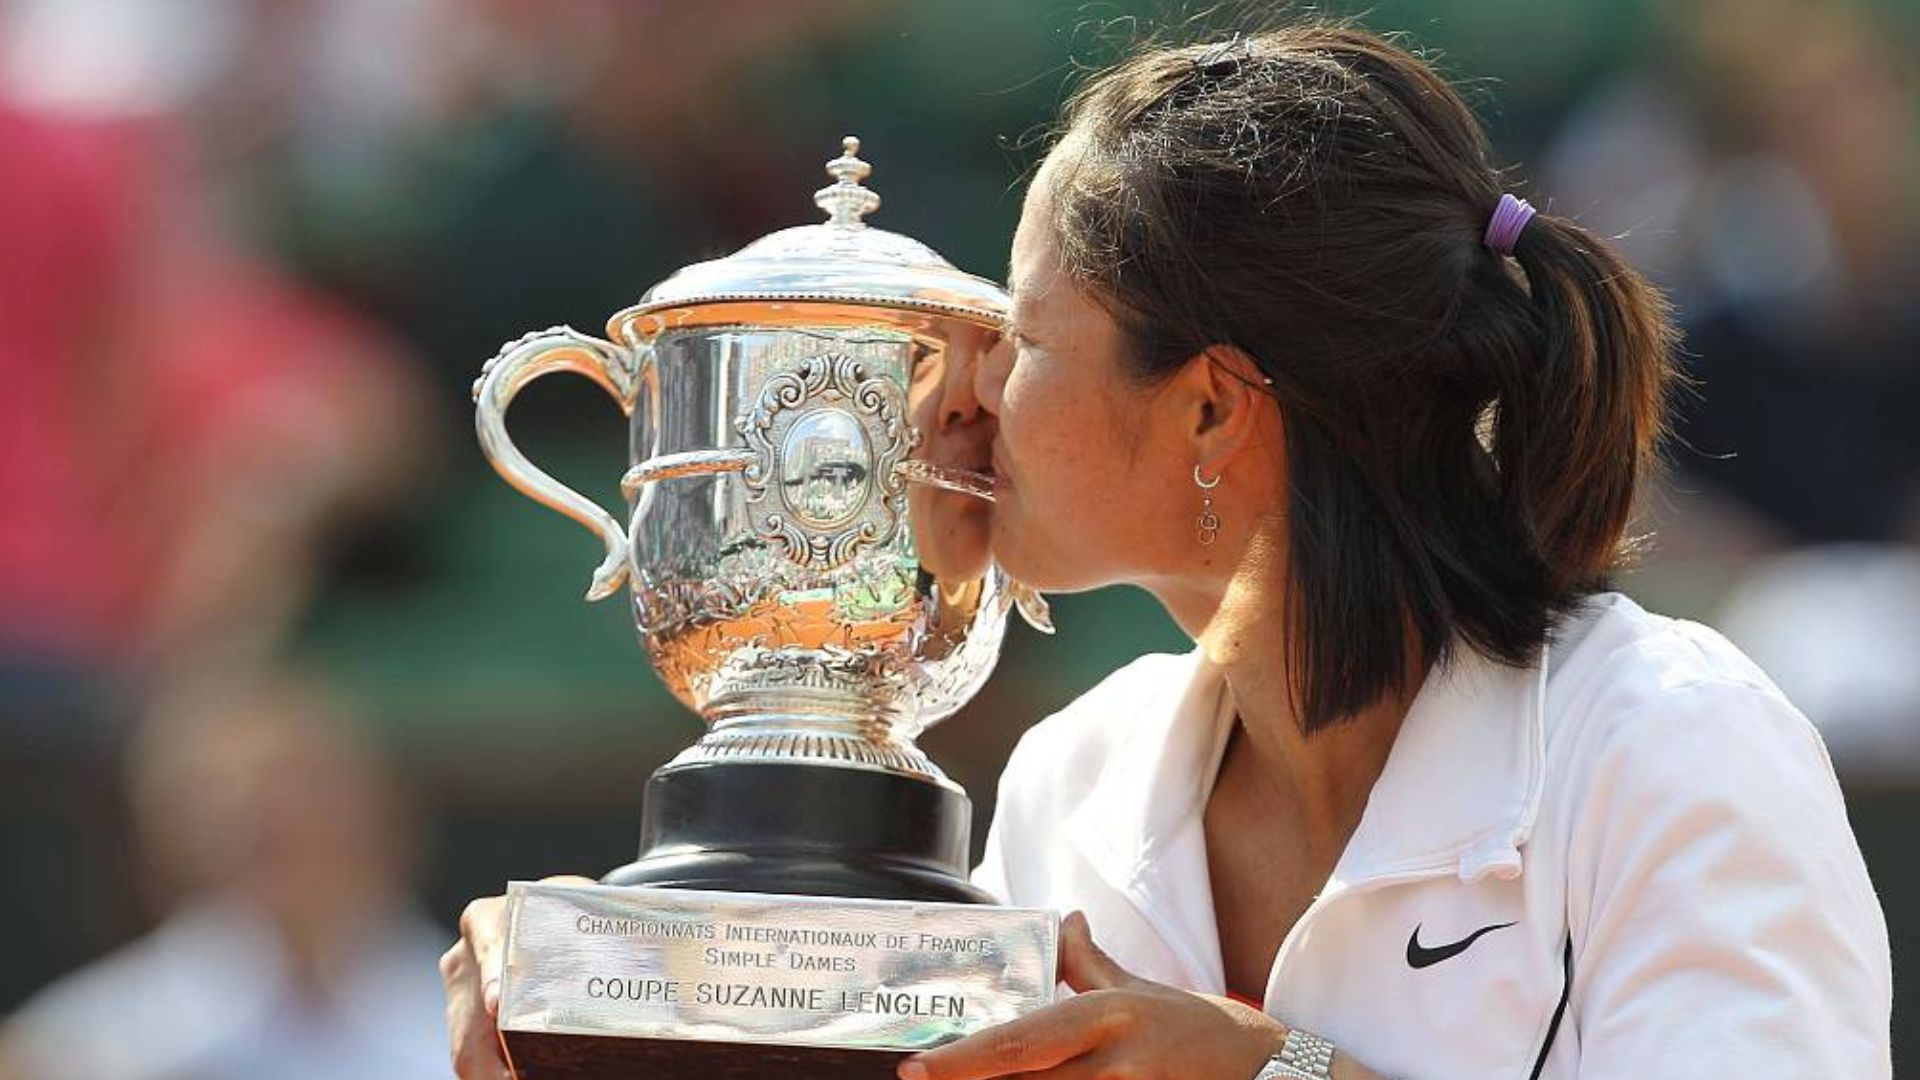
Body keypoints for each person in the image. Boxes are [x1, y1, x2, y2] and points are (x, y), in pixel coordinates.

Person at [438, 21, 1892, 1079]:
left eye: (1027, 339)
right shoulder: (1075, 780)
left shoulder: (1671, 746)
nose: (969, 394)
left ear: (1208, 408)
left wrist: (1279, 1077)